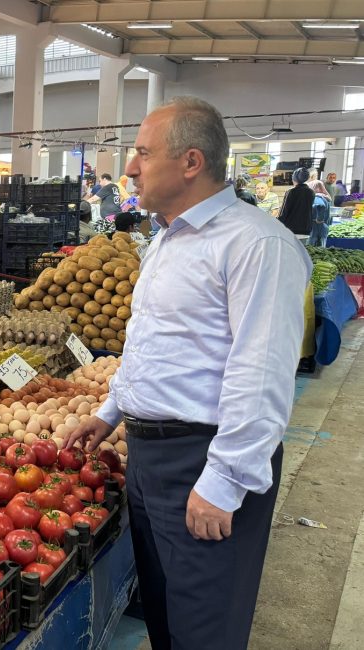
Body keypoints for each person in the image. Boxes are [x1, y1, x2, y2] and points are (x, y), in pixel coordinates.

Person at [64, 96, 310, 650]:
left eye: (144, 154)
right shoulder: (166, 240)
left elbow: (262, 373)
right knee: (166, 617)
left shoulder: (256, 244)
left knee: (206, 626)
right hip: (150, 458)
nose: (129, 168)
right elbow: (156, 348)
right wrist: (109, 413)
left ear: (191, 162)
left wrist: (224, 482)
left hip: (203, 456)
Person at [278, 167, 316, 241]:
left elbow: (284, 212)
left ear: (294, 178)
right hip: (306, 230)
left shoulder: (291, 192)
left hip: (291, 230)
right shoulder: (311, 192)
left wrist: (278, 224)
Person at [307, 180, 333, 247]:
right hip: (324, 225)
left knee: (312, 247)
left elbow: (321, 206)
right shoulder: (324, 196)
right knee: (322, 246)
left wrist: (319, 220)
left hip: (316, 226)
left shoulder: (317, 197)